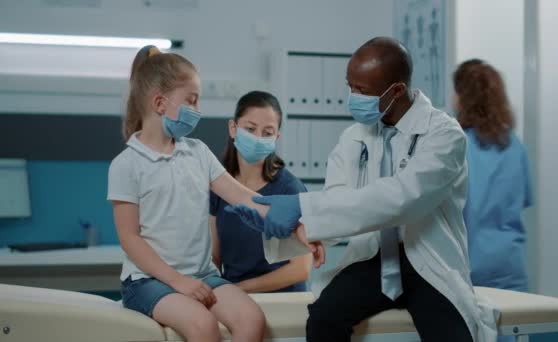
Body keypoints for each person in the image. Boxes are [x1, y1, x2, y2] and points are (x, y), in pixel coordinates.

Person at [227, 37, 497, 341]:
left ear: (396, 90)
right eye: (350, 86)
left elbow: (402, 198)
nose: (352, 97)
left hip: (427, 259)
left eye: (362, 91)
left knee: (452, 335)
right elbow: (341, 207)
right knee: (323, 319)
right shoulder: (354, 138)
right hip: (374, 259)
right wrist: (295, 228)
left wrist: (303, 206)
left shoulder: (444, 135)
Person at [107, 46, 267, 342]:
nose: (198, 109)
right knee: (202, 326)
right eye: (191, 100)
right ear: (159, 103)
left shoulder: (198, 152)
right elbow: (130, 239)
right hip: (148, 281)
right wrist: (178, 281)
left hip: (203, 276)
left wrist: (296, 219)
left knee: (252, 319)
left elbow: (243, 197)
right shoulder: (126, 164)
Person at [453, 59, 533, 342]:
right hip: (509, 267)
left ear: (463, 97)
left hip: (467, 267)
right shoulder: (515, 146)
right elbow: (521, 200)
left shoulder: (456, 147)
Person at [209, 91, 311, 293]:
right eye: (250, 129)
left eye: (267, 132)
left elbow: (301, 269)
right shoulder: (219, 184)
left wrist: (240, 289)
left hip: (281, 301)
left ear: (276, 137)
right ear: (233, 128)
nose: (257, 138)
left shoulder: (290, 189)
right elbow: (215, 257)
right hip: (233, 296)